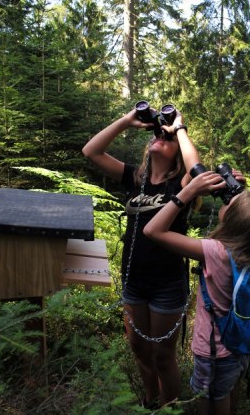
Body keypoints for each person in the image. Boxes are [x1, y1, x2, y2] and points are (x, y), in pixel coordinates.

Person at [82, 105, 201, 407]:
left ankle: (170, 407)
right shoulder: (136, 180)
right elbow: (91, 151)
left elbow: (195, 169)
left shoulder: (182, 185)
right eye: (157, 134)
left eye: (167, 137)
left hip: (167, 284)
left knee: (162, 355)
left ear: (177, 150)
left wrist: (180, 129)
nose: (161, 136)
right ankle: (151, 401)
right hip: (134, 280)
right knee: (139, 350)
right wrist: (125, 120)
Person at [143, 171, 250, 415]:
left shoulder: (215, 251)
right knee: (229, 392)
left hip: (214, 352)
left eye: (229, 202)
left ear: (233, 220)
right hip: (241, 346)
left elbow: (152, 230)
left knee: (211, 403)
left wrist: (188, 192)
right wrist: (242, 197)